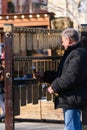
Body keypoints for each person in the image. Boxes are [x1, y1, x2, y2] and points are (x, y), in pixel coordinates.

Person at [48, 28, 87, 130]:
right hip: (71, 98)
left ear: (68, 40)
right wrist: (45, 75)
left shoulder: (78, 53)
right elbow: (63, 74)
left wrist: (54, 86)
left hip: (72, 98)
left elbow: (71, 77)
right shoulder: (73, 53)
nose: (62, 44)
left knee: (71, 128)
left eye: (63, 41)